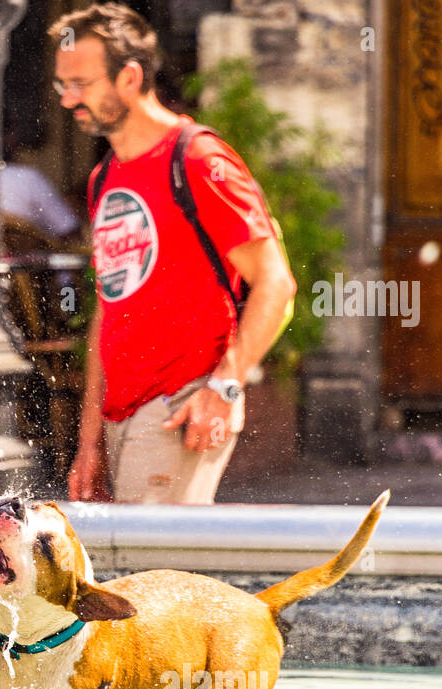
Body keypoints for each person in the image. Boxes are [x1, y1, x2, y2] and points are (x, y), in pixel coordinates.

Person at [52, 4, 296, 504]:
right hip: (121, 413)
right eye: (62, 86)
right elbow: (109, 309)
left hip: (180, 402)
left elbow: (277, 284)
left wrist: (226, 387)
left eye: (81, 83)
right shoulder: (105, 179)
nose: (68, 100)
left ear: (130, 77)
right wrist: (89, 442)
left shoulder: (199, 158)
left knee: (150, 575)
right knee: (141, 578)